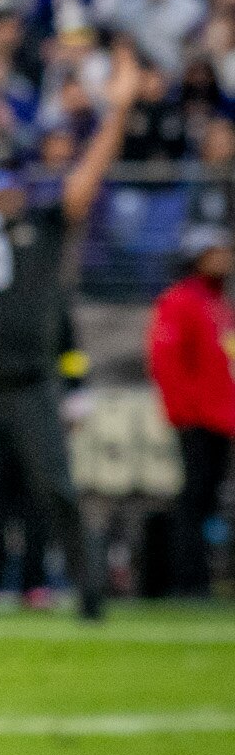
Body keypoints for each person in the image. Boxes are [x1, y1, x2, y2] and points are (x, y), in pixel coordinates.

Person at [0, 53, 135, 621]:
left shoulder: (44, 223)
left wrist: (116, 112)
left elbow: (87, 180)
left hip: (31, 381)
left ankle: (91, 597)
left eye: (7, 179)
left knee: (58, 491)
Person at [147, 223, 234, 597]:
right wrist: (182, 410)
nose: (224, 259)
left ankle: (200, 578)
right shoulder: (181, 300)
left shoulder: (220, 304)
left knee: (208, 497)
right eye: (215, 252)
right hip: (197, 418)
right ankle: (188, 580)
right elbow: (166, 359)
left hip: (221, 418)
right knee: (194, 498)